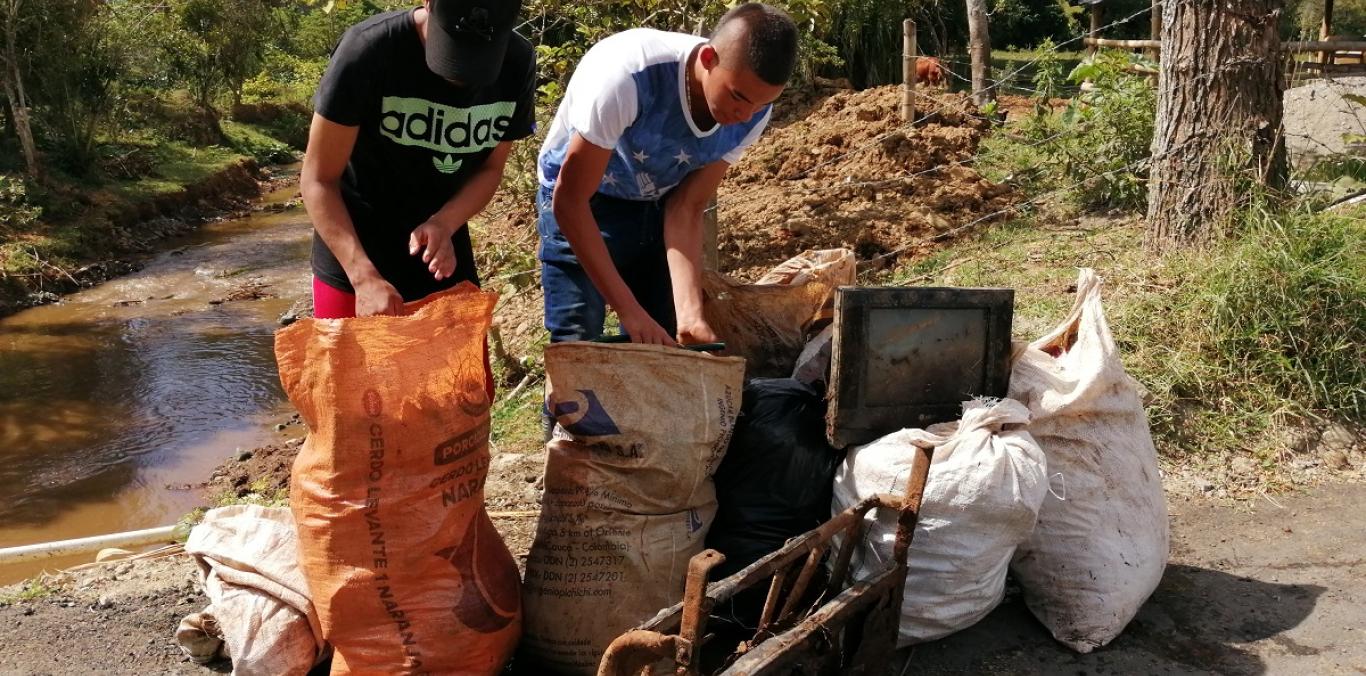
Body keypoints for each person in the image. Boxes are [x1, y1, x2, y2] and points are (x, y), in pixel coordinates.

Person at [535, 3, 798, 346]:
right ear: (708, 59)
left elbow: (687, 206)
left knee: (662, 342)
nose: (745, 115)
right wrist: (629, 311)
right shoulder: (627, 78)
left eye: (761, 105)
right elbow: (569, 201)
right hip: (583, 199)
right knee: (579, 340)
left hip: (656, 202)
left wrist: (690, 315)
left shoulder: (755, 111)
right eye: (738, 97)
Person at [301, 0, 535, 323]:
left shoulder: (517, 63)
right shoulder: (368, 51)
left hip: (441, 254)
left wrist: (446, 221)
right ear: (428, 3)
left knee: (459, 375)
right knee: (354, 374)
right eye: (451, 48)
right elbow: (318, 179)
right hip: (353, 252)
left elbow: (490, 169)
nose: (460, 77)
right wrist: (362, 276)